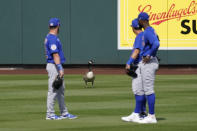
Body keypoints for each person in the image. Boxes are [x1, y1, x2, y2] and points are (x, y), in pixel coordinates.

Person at [44, 18, 77, 120]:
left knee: (60, 90)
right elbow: (55, 55)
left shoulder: (49, 37)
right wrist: (60, 68)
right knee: (53, 90)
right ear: (58, 26)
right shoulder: (52, 38)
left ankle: (64, 112)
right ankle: (50, 114)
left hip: (55, 65)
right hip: (54, 66)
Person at [121, 18, 147, 123]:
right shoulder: (145, 35)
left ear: (133, 28)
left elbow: (137, 51)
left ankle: (138, 113)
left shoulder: (139, 36)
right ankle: (142, 112)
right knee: (143, 90)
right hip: (145, 65)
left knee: (138, 90)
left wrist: (128, 62)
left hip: (139, 66)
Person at [137, 12, 160, 124]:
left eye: (139, 20)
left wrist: (149, 55)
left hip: (149, 62)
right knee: (144, 89)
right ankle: (144, 114)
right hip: (149, 62)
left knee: (148, 89)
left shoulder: (148, 31)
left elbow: (156, 43)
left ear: (142, 20)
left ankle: (151, 116)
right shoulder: (150, 30)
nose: (138, 22)